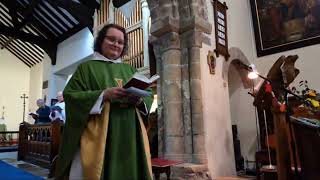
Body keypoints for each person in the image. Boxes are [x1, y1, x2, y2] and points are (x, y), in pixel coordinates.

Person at [56, 24, 153, 180]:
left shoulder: (130, 70)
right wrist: (102, 95)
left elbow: (149, 94)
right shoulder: (86, 68)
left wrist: (139, 100)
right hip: (99, 135)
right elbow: (71, 96)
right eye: (112, 39)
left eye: (121, 42)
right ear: (101, 40)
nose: (116, 44)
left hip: (130, 133)